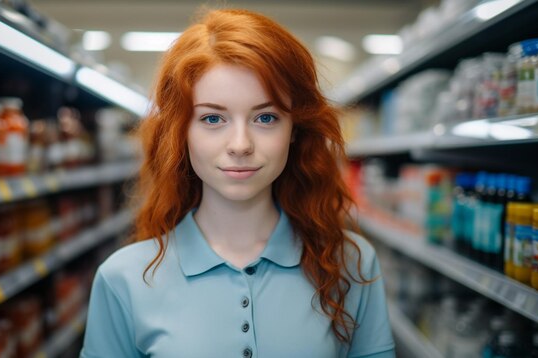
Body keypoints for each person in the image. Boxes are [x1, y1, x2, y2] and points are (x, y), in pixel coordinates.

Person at [81, 8, 395, 358]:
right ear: (181, 132)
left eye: (266, 117)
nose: (241, 144)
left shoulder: (350, 263)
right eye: (213, 118)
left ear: (295, 130)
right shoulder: (123, 279)